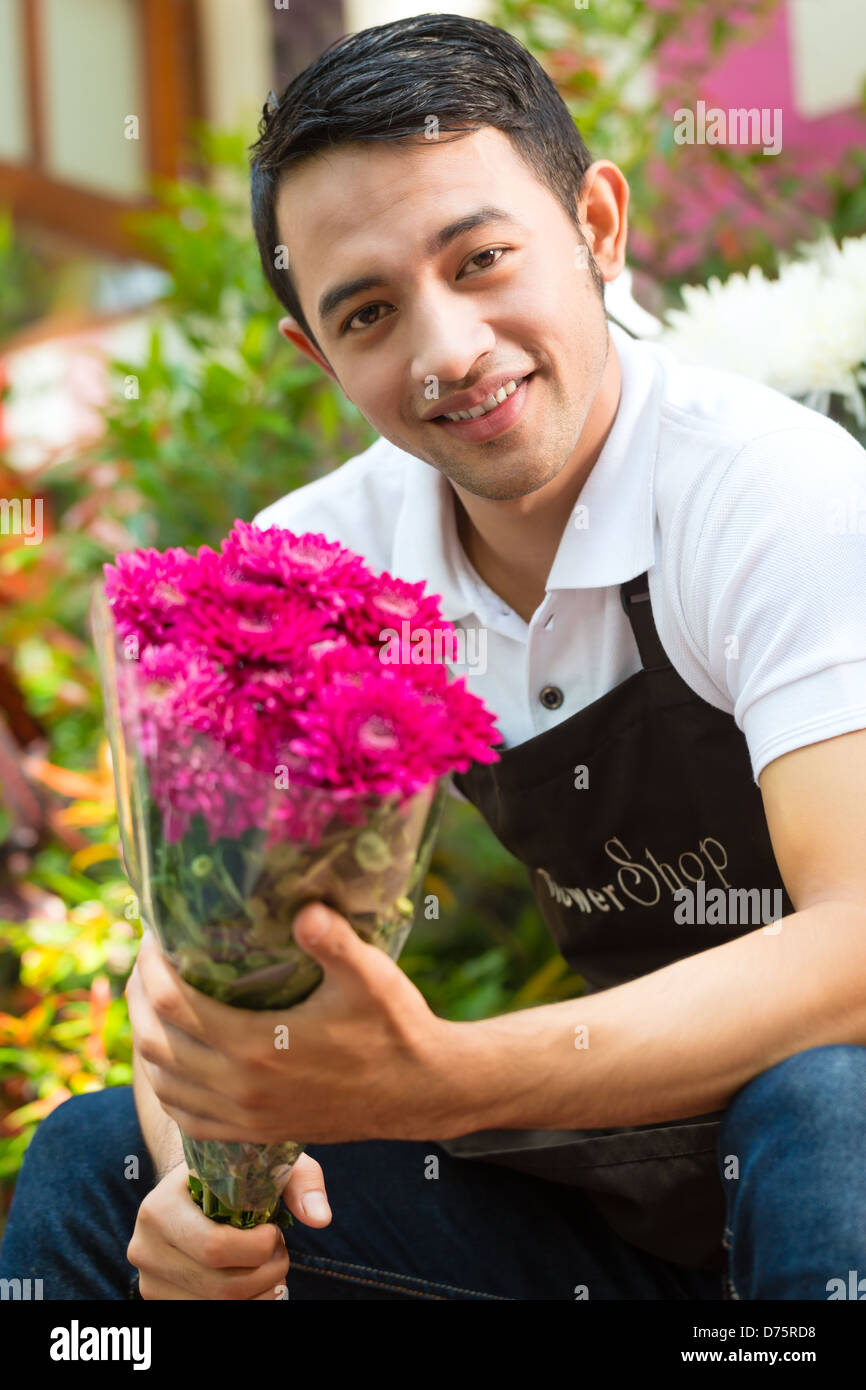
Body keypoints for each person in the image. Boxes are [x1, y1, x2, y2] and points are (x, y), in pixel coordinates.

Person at [3, 13, 866, 1302]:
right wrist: (209, 1185)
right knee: (94, 1165)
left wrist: (443, 1078)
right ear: (316, 354)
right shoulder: (319, 566)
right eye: (368, 312)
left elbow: (854, 946)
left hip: (817, 1168)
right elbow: (198, 959)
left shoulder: (768, 493)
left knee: (826, 1104)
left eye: (481, 259)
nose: (449, 350)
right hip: (604, 1211)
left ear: (598, 226)